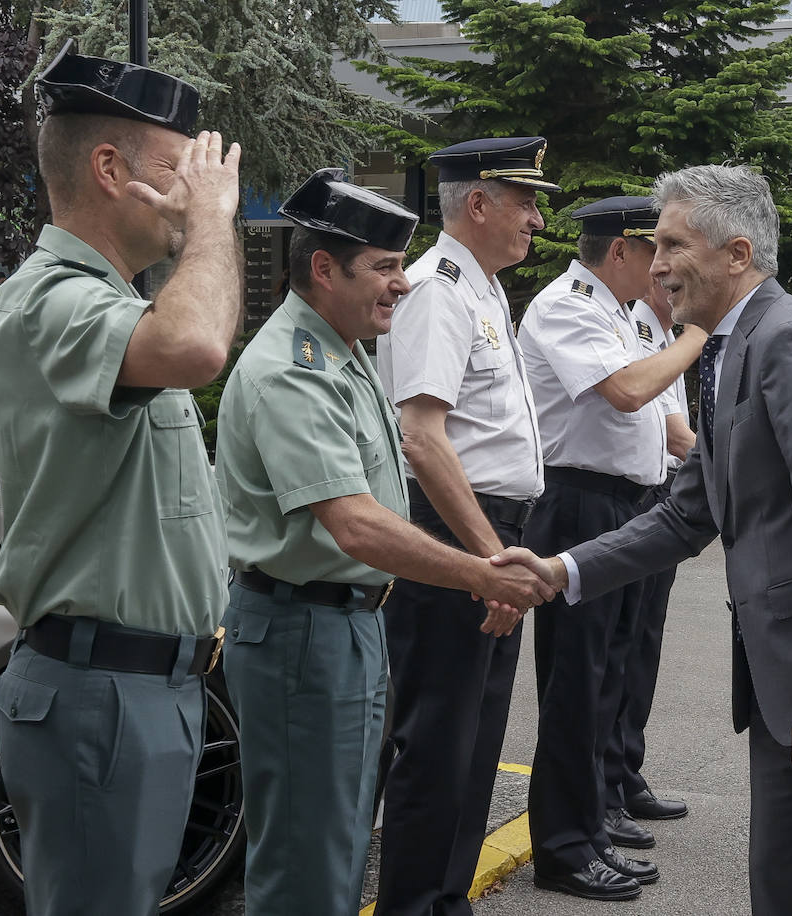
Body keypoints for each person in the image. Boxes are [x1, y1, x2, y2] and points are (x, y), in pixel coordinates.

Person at [492, 164, 792, 916]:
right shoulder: (732, 345)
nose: (659, 262)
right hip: (787, 681)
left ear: (737, 254)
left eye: (674, 243)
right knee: (784, 888)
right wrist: (558, 570)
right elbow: (687, 513)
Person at [213, 168, 554, 916]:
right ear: (324, 269)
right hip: (303, 629)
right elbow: (355, 522)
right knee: (306, 859)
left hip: (345, 621)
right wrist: (484, 573)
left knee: (336, 845)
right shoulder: (293, 372)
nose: (403, 284)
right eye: (386, 267)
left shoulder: (344, 353)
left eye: (401, 266)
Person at [0, 41, 241, 916]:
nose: (192, 187)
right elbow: (201, 347)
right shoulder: (52, 298)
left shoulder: (116, 304)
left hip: (144, 690)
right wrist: (210, 223)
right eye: (175, 167)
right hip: (102, 696)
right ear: (108, 168)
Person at [372, 136, 556, 916]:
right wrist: (491, 561)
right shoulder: (438, 290)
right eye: (525, 202)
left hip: (490, 531)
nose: (538, 221)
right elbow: (420, 435)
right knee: (438, 743)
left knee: (476, 745)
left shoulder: (480, 288)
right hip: (455, 534)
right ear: (476, 204)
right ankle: (417, 903)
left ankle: (448, 898)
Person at [517, 195, 706, 901]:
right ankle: (563, 847)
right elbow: (628, 394)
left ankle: (591, 824)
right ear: (620, 250)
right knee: (576, 682)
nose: (663, 264)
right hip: (578, 505)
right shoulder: (568, 304)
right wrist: (697, 336)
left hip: (622, 502)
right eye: (653, 248)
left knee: (606, 678)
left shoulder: (618, 313)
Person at [603, 271, 696, 826]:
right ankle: (612, 780)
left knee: (643, 645)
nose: (684, 291)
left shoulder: (664, 334)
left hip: (660, 488)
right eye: (675, 282)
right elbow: (674, 434)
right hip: (641, 495)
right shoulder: (639, 331)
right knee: (623, 646)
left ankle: (626, 771)